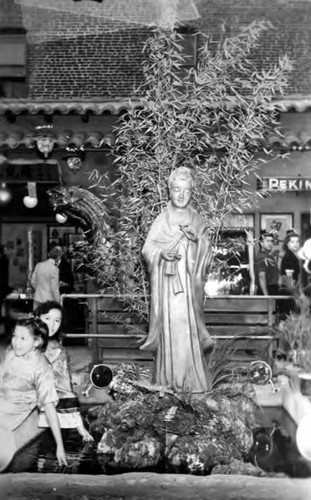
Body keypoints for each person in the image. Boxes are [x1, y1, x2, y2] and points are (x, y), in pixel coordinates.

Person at [140, 166, 214, 393]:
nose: (181, 195)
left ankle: (193, 382)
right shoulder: (162, 220)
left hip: (190, 291)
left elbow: (208, 254)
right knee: (171, 332)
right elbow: (147, 249)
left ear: (192, 192)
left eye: (186, 190)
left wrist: (195, 242)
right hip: (168, 291)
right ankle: (167, 381)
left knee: (188, 331)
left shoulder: (198, 221)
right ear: (169, 190)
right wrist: (161, 253)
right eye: (176, 189)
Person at [0, 317, 67, 471]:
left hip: (16, 417)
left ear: (37, 342)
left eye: (23, 338)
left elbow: (49, 407)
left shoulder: (41, 367)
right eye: (15, 336)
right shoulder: (11, 353)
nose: (16, 342)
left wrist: (60, 446)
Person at [34, 301, 93, 441]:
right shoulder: (23, 340)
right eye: (47, 318)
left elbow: (65, 388)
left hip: (43, 412)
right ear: (37, 317)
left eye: (57, 320)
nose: (52, 325)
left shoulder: (58, 351)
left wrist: (79, 426)